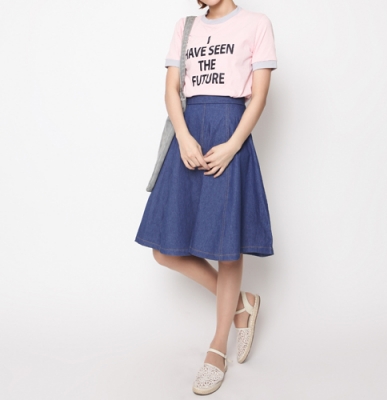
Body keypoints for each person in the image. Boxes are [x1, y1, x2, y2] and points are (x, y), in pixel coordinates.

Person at [135, 0, 277, 395]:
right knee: (164, 249)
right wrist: (182, 136)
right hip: (189, 136)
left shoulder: (257, 24)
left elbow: (259, 96)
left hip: (230, 133)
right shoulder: (185, 26)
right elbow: (171, 89)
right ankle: (242, 304)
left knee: (226, 247)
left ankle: (217, 348)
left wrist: (233, 145)